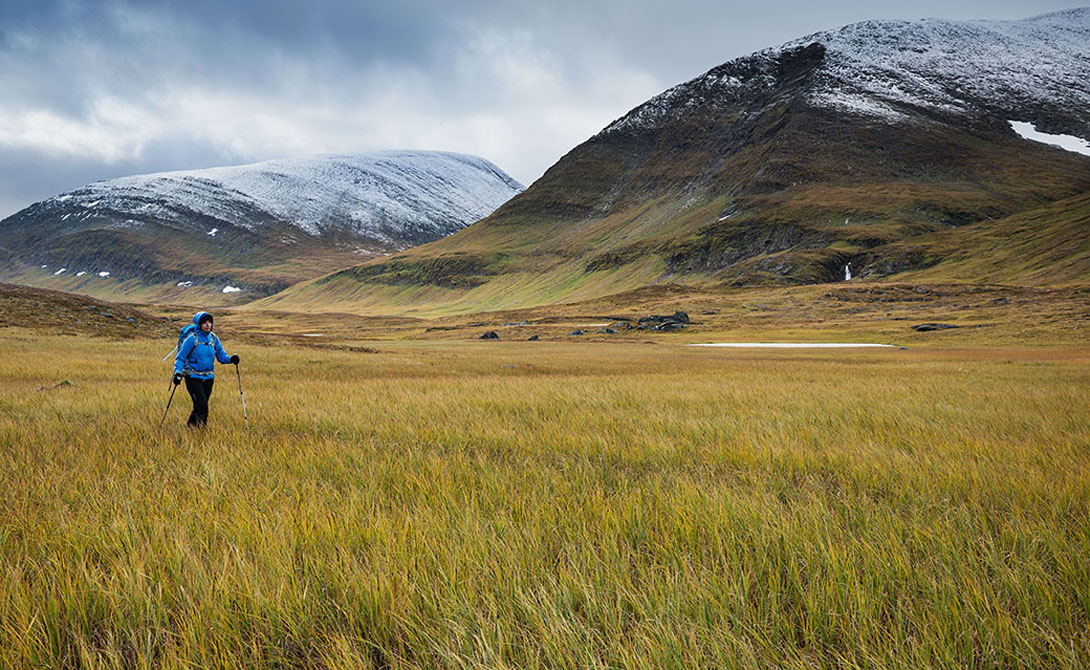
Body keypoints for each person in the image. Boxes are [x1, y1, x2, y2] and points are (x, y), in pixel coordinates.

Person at [172, 311, 239, 428]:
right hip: (193, 377)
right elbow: (180, 358)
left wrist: (231, 359)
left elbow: (222, 357)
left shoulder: (213, 338)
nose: (208, 325)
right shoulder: (191, 339)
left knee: (200, 406)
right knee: (202, 406)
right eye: (204, 323)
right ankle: (200, 430)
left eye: (209, 322)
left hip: (209, 378)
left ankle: (192, 428)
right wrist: (177, 373)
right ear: (199, 324)